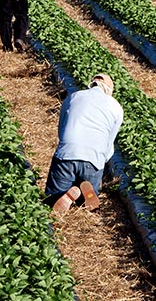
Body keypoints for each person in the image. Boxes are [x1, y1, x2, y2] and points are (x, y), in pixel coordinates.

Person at [46, 73, 123, 215]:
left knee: (52, 200)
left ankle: (62, 195)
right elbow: (109, 143)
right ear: (109, 90)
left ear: (91, 84)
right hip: (93, 160)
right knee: (86, 200)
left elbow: (61, 129)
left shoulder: (74, 97)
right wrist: (100, 163)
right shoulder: (116, 107)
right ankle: (83, 196)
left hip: (66, 154)